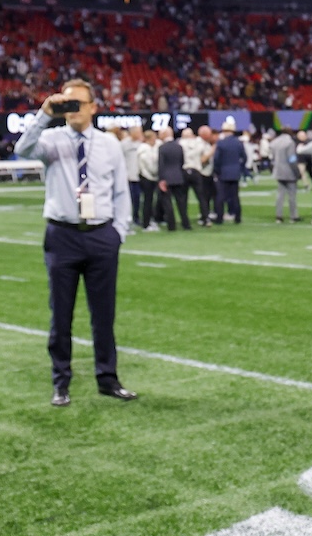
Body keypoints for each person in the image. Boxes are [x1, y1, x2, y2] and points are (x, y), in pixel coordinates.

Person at [13, 78, 136, 406]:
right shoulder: (51, 138)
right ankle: (60, 381)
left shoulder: (109, 143)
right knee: (61, 314)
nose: (72, 110)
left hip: (100, 235)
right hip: (62, 234)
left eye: (78, 104)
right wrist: (43, 114)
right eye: (66, 104)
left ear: (93, 107)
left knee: (103, 314)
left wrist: (118, 233)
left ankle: (108, 378)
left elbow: (121, 190)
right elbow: (21, 149)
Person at [156, 126, 191, 230]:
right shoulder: (179, 146)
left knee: (167, 203)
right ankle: (186, 224)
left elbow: (161, 165)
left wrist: (161, 179)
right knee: (181, 203)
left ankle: (171, 225)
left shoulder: (162, 148)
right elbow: (182, 162)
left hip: (166, 178)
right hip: (178, 176)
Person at [211, 117, 246, 224]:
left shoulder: (221, 143)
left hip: (223, 172)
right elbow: (244, 158)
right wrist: (240, 168)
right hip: (235, 172)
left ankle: (219, 217)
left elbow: (217, 159)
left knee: (220, 196)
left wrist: (216, 170)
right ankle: (237, 217)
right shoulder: (238, 143)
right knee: (235, 196)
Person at [179, 126, 214, 226]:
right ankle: (206, 218)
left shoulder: (180, 144)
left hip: (184, 170)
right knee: (201, 197)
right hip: (196, 171)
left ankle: (184, 220)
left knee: (183, 198)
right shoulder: (199, 144)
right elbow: (205, 157)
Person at [270, 128, 301, 223]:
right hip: (289, 171)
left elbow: (272, 157)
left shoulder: (274, 142)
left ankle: (279, 216)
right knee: (292, 195)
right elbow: (291, 159)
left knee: (280, 194)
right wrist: (297, 172)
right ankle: (293, 216)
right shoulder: (290, 142)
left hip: (278, 171)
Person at [136, 129, 160, 231]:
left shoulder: (150, 148)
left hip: (149, 177)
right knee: (147, 201)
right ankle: (146, 224)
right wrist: (155, 172)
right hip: (147, 177)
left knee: (150, 201)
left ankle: (149, 221)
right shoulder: (144, 150)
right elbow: (150, 166)